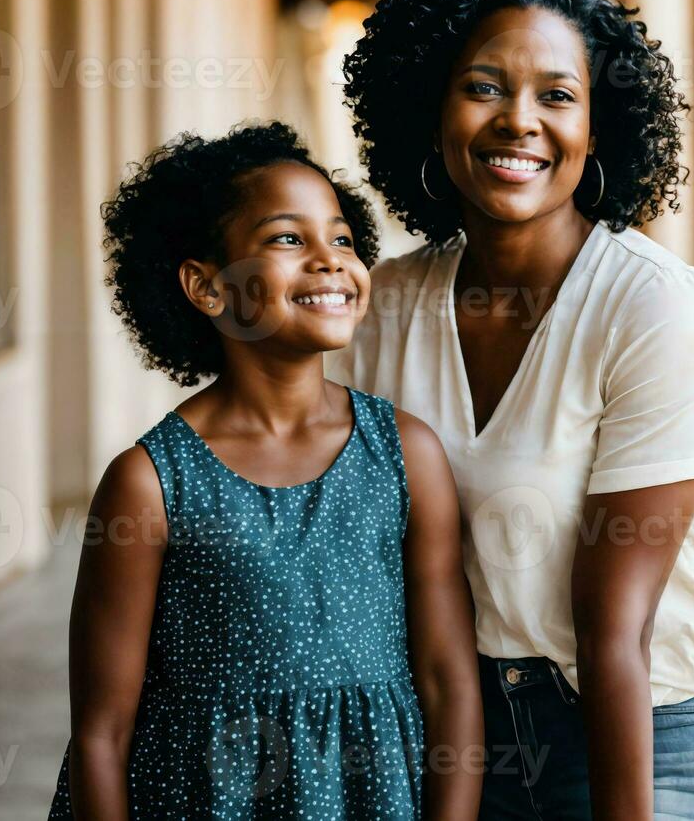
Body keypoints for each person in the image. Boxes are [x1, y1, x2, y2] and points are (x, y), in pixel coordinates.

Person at [331, 0, 694, 819]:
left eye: (557, 95)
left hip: (661, 724)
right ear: (428, 108)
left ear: (597, 126)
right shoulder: (380, 308)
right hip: (462, 729)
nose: (518, 121)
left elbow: (617, 628)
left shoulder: (650, 306)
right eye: (483, 87)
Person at [47, 121, 483, 819]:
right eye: (288, 238)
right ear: (206, 286)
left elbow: (448, 684)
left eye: (341, 238)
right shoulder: (150, 483)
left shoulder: (405, 454)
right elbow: (102, 732)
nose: (328, 259)